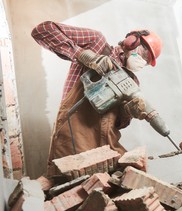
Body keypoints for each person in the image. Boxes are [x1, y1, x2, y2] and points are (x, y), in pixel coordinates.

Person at [31, 21, 163, 179]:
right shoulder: (97, 43)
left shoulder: (133, 82)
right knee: (73, 188)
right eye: (144, 55)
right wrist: (83, 55)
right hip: (75, 135)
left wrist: (129, 111)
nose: (143, 62)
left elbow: (119, 124)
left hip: (106, 146)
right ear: (132, 41)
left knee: (135, 179)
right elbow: (42, 31)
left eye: (147, 62)